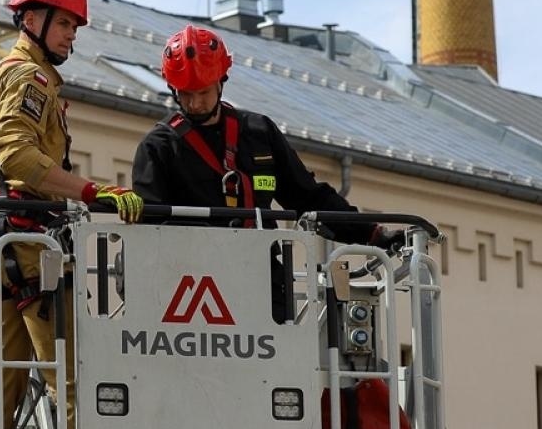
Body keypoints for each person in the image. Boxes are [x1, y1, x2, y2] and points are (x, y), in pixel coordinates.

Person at [0, 0, 143, 429]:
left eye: (75, 27)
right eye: (64, 23)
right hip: (28, 247)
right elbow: (17, 159)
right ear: (31, 21)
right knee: (73, 376)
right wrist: (93, 192)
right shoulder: (29, 80)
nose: (71, 36)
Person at [132, 24, 402, 291]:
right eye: (186, 94)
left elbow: (307, 196)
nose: (195, 103)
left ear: (221, 82)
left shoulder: (258, 133)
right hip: (189, 285)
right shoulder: (158, 148)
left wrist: (373, 234)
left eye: (203, 92)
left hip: (262, 280)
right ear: (173, 90)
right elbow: (151, 228)